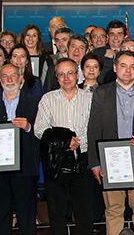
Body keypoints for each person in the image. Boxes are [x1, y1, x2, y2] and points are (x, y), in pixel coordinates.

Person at [87, 51, 134, 235]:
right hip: (111, 162)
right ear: (115, 68)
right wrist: (95, 163)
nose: (128, 70)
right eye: (123, 66)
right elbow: (93, 129)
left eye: (132, 66)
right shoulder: (101, 93)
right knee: (113, 210)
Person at [0, 63, 40, 235]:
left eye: (13, 75)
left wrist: (28, 127)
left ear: (21, 79)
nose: (9, 79)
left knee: (26, 215)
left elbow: (42, 134)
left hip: (25, 168)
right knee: (0, 213)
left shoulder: (35, 103)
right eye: (5, 76)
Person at [33, 58, 94, 235]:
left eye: (70, 73)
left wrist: (77, 141)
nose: (66, 78)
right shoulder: (48, 99)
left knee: (84, 212)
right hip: (56, 162)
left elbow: (95, 127)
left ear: (77, 75)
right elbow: (39, 129)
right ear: (56, 78)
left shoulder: (90, 98)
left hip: (83, 159)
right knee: (57, 212)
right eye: (61, 74)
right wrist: (64, 142)